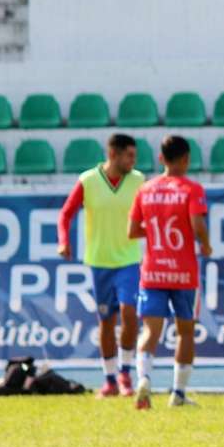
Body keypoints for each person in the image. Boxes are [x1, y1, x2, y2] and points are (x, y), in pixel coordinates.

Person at [57, 133, 145, 399]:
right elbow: (66, 213)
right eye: (129, 155)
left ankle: (126, 374)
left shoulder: (139, 181)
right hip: (99, 262)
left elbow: (151, 214)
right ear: (113, 154)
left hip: (129, 260)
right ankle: (109, 379)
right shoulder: (89, 181)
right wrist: (64, 241)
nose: (133, 161)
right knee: (106, 321)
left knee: (130, 314)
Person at [127, 136, 211, 410]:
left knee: (150, 331)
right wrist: (206, 244)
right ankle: (178, 393)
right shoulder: (192, 189)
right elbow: (197, 224)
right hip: (183, 272)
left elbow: (132, 231)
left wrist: (152, 231)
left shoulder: (145, 189)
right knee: (185, 332)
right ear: (186, 159)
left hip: (153, 271)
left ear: (161, 158)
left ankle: (144, 378)